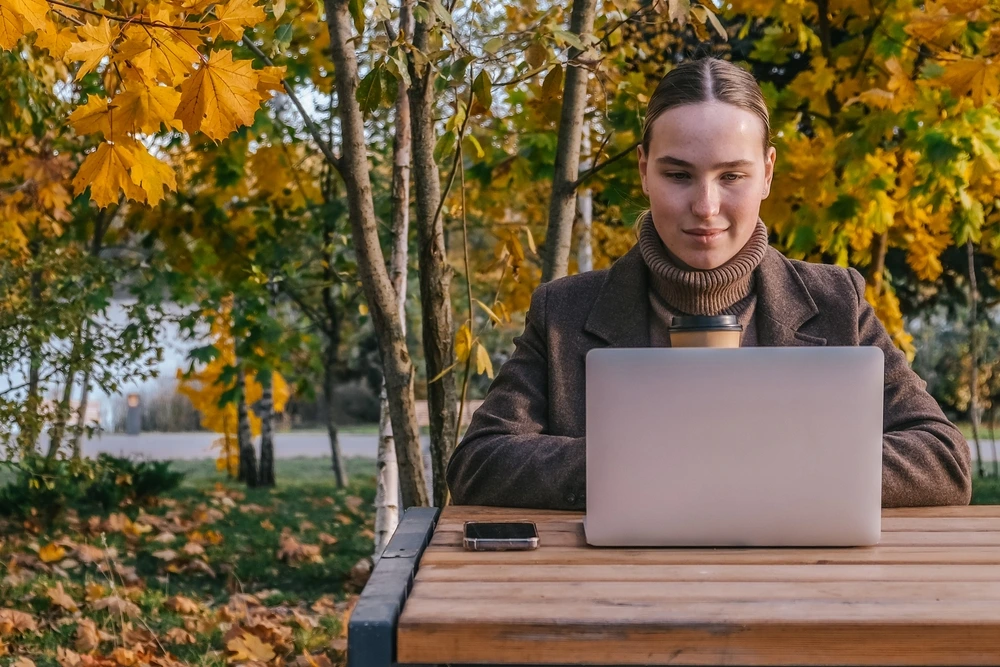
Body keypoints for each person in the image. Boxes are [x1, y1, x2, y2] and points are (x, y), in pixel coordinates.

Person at [446, 57, 972, 510]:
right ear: (644, 170)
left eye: (732, 176)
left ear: (767, 173)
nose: (706, 206)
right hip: (619, 599)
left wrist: (747, 463)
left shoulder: (838, 300)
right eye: (678, 175)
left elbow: (941, 460)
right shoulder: (563, 311)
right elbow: (480, 463)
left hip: (801, 593)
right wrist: (657, 463)